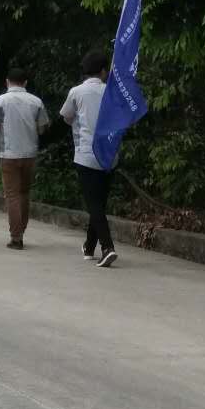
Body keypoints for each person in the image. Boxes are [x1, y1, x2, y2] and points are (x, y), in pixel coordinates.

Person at [60, 51, 118, 267]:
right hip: (110, 154)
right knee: (99, 203)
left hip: (86, 154)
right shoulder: (112, 92)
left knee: (94, 204)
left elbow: (66, 116)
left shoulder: (77, 92)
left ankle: (107, 247)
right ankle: (89, 246)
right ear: (103, 71)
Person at [0, 67, 49, 249]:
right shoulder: (36, 101)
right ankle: (22, 230)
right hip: (30, 154)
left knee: (12, 195)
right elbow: (42, 128)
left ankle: (16, 237)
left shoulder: (0, 101)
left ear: (7, 82)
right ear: (25, 82)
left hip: (9, 154)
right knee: (24, 193)